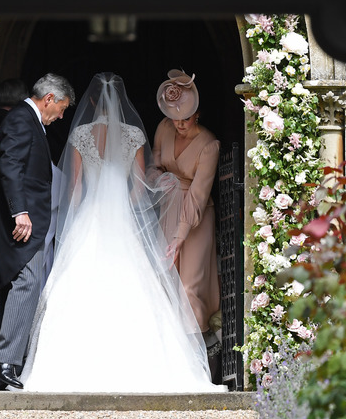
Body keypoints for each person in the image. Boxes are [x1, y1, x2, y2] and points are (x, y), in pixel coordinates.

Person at [20, 72, 226, 393]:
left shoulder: (82, 135)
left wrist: (72, 221)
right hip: (122, 215)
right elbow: (140, 186)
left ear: (90, 102)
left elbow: (74, 188)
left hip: (91, 213)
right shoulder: (133, 135)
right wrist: (127, 209)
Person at [0, 73, 75, 390]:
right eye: (62, 108)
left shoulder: (27, 119)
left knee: (28, 281)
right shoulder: (23, 119)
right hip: (22, 221)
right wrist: (19, 211)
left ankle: (7, 357)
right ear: (49, 98)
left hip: (31, 220)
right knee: (28, 280)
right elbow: (10, 165)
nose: (61, 116)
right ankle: (4, 359)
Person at [149, 69, 221, 340]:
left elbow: (198, 196)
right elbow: (152, 167)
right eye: (174, 117)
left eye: (185, 118)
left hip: (195, 216)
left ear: (197, 113)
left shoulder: (209, 144)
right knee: (165, 279)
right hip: (168, 206)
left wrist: (180, 237)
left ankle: (199, 349)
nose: (179, 124)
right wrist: (159, 179)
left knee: (191, 284)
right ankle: (168, 346)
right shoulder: (163, 128)